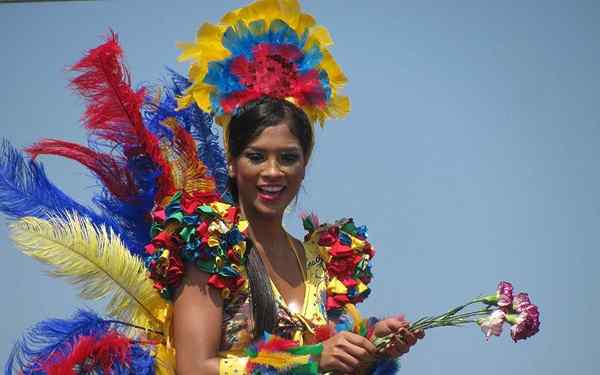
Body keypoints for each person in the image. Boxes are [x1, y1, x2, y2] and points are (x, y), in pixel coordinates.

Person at [2, 1, 423, 374]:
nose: (272, 172)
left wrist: (371, 346)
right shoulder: (211, 248)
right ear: (234, 163)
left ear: (305, 164)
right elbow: (194, 366)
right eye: (256, 156)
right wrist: (311, 360)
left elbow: (330, 358)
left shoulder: (323, 260)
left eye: (288, 157)